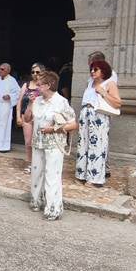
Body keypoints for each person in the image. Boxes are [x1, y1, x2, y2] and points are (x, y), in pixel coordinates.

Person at [28, 71, 78, 220]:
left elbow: (73, 124)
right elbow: (27, 118)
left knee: (52, 175)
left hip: (54, 144)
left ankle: (53, 209)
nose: (36, 87)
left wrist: (54, 129)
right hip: (38, 142)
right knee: (36, 173)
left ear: (48, 85)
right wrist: (30, 103)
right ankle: (37, 201)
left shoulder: (61, 102)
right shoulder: (37, 101)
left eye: (39, 84)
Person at [75, 60, 121, 186]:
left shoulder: (110, 84)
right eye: (91, 69)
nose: (92, 72)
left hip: (99, 116)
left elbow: (118, 103)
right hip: (86, 114)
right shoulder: (90, 83)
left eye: (95, 69)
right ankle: (82, 174)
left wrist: (103, 92)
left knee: (98, 145)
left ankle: (95, 179)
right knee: (83, 143)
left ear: (103, 71)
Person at [17, 64, 45, 175]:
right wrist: (18, 116)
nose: (35, 74)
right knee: (28, 142)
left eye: (37, 72)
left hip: (39, 117)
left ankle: (38, 163)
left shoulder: (44, 86)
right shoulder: (26, 85)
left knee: (37, 142)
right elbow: (19, 101)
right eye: (33, 72)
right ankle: (30, 163)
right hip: (26, 117)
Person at [0, 63, 20, 153]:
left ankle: (2, 146)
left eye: (2, 69)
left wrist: (9, 96)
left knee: (2, 125)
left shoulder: (12, 80)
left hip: (4, 105)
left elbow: (18, 93)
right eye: (0, 69)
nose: (0, 71)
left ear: (8, 71)